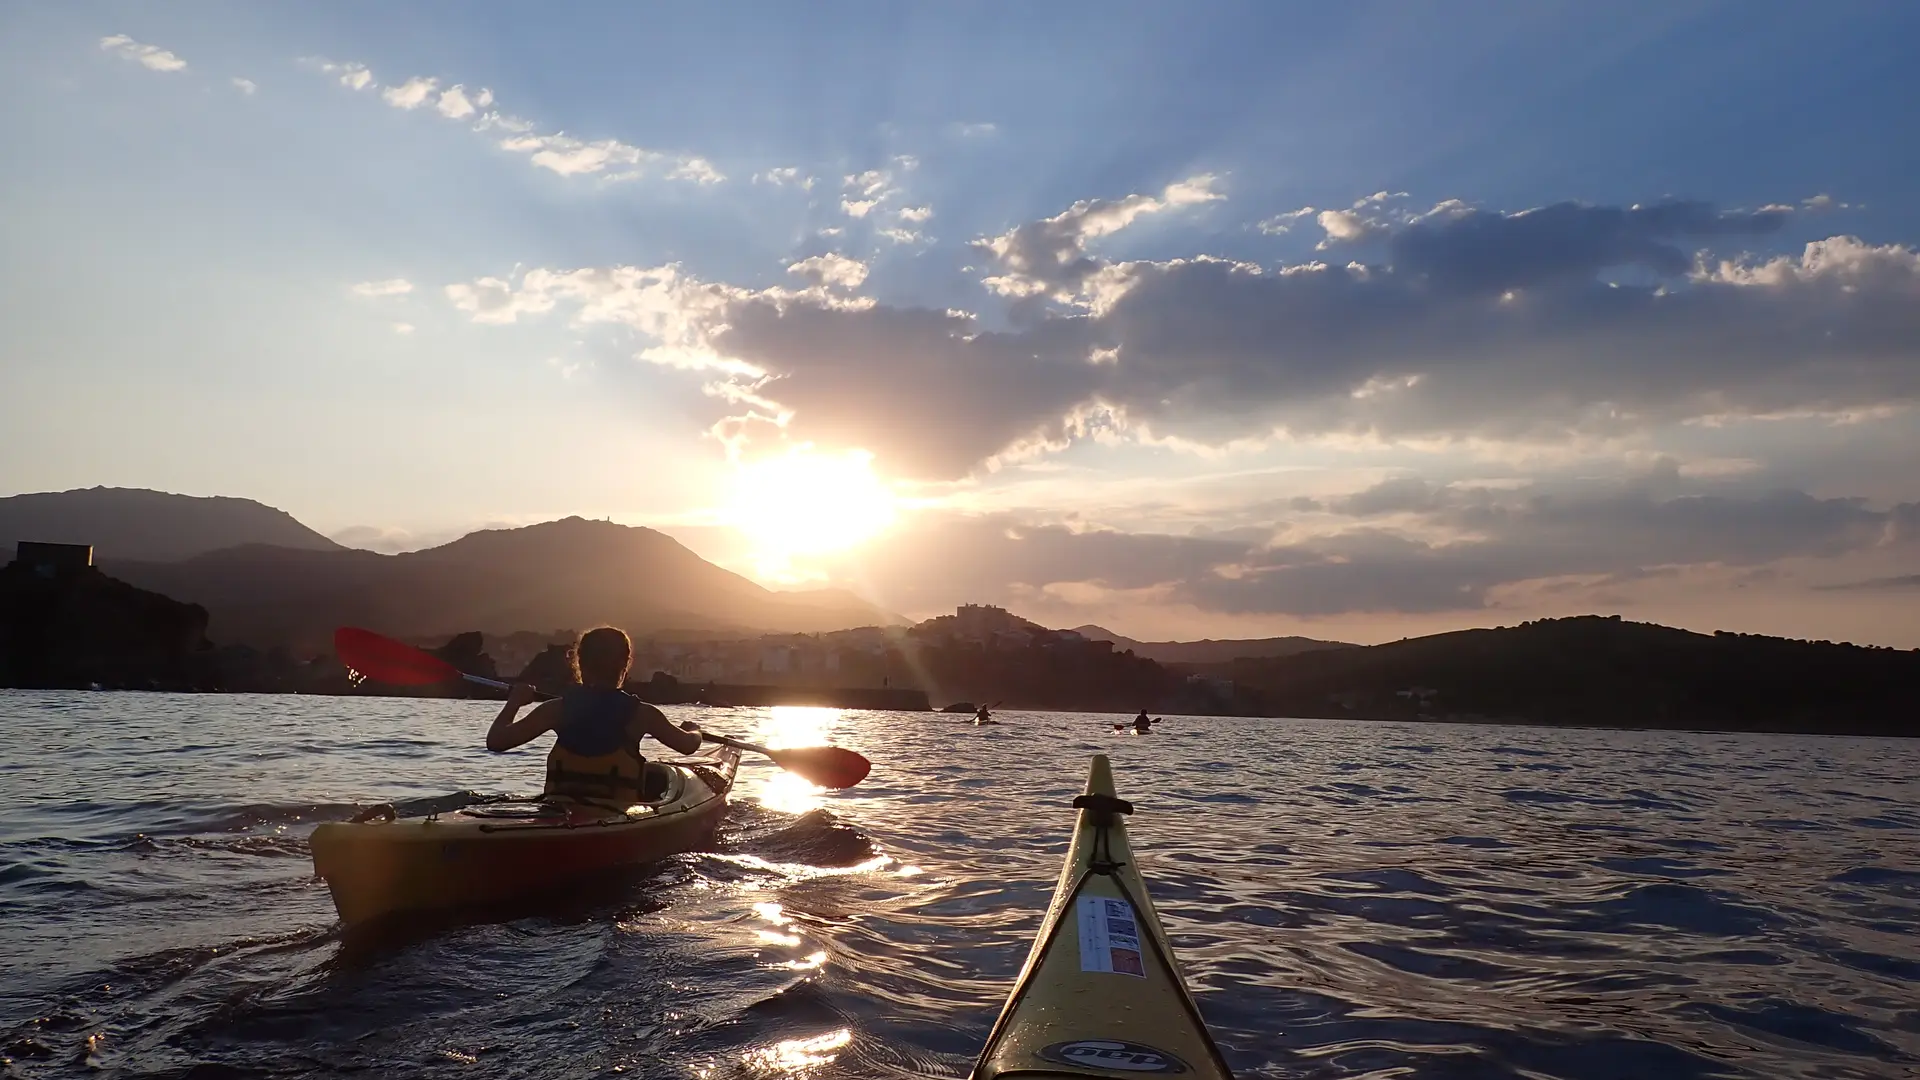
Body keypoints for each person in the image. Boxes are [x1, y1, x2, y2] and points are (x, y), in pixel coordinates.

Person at [487, 626, 705, 808]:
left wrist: (514, 702)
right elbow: (687, 745)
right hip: (614, 815)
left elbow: (496, 741)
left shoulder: (556, 710)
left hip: (557, 812)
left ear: (579, 662)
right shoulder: (643, 714)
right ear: (625, 663)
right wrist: (695, 730)